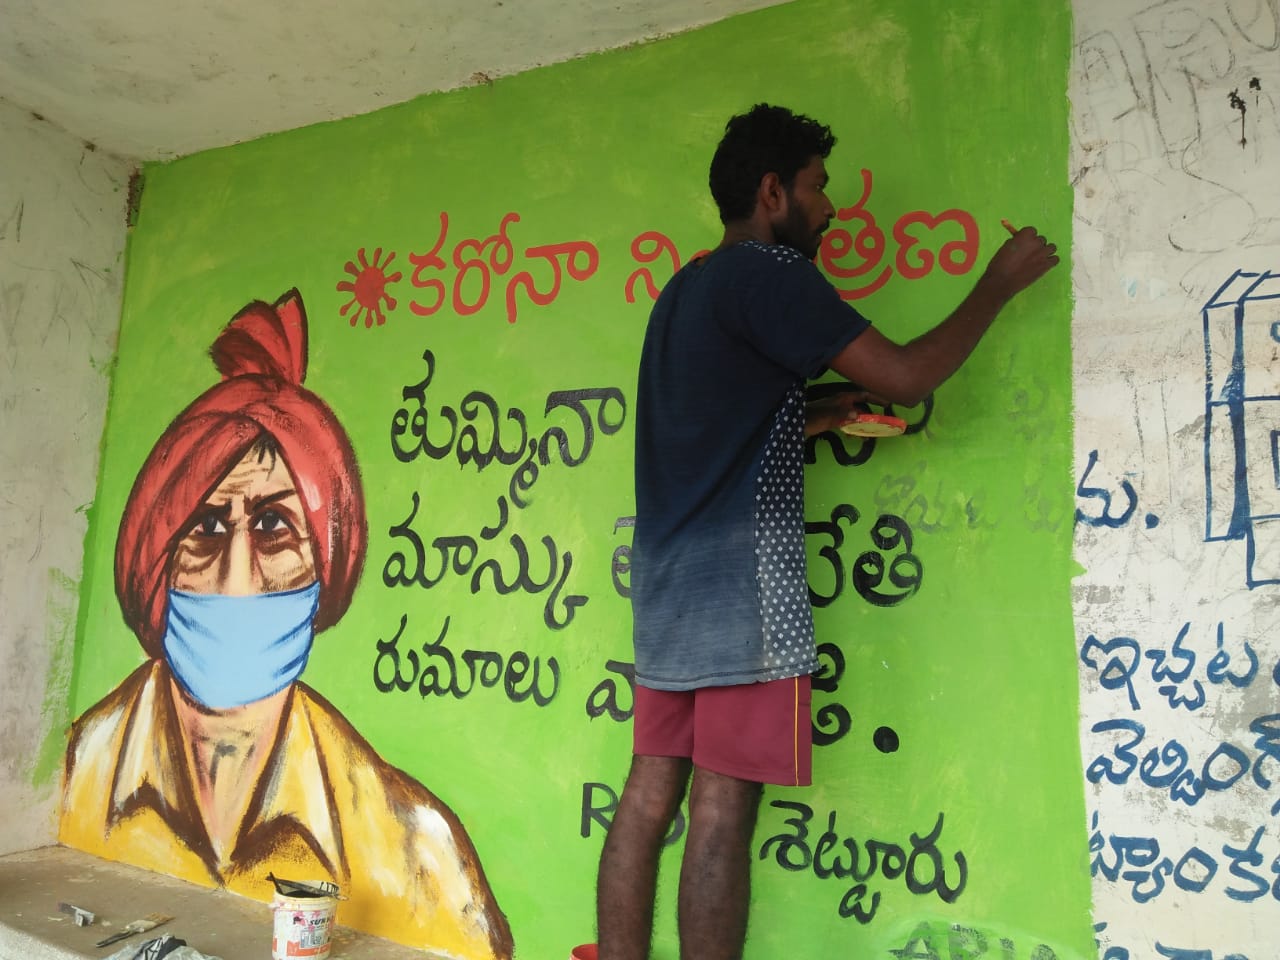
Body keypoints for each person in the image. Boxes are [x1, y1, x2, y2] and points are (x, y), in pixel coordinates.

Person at [595, 103, 1058, 960]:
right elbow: (908, 375)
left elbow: (713, 427)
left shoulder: (685, 291)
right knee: (721, 814)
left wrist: (811, 412)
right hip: (744, 597)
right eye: (818, 186)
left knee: (648, 796)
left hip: (667, 592)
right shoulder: (773, 274)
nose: (831, 207)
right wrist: (998, 282)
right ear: (773, 192)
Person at [60, 290, 514, 960]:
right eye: (205, 526)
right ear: (156, 556)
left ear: (327, 566)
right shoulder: (76, 775)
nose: (237, 579)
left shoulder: (418, 856)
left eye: (274, 525)